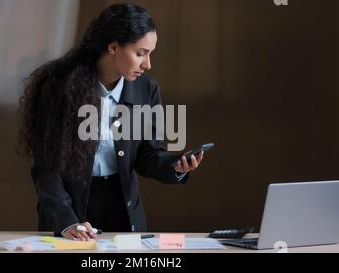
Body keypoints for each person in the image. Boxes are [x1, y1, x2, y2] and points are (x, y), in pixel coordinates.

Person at [18, 3, 204, 241]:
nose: (148, 65)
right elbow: (46, 167)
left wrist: (175, 166)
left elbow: (148, 154)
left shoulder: (146, 89)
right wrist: (65, 222)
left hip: (123, 208)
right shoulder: (59, 87)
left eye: (150, 53)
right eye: (141, 53)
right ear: (114, 47)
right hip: (72, 209)